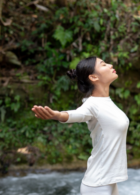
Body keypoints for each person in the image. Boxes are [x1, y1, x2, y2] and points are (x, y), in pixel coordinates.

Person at [31, 57, 129, 195]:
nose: (110, 65)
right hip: (98, 185)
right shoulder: (92, 104)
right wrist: (57, 115)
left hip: (109, 182)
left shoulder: (107, 102)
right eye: (103, 64)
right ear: (93, 77)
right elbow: (77, 114)